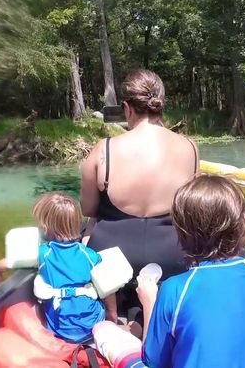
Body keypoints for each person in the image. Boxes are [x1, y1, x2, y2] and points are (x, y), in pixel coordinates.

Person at [80, 69, 199, 322]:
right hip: (172, 258)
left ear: (127, 107)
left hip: (111, 261)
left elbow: (88, 208)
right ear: (160, 105)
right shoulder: (190, 148)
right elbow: (194, 209)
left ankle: (116, 313)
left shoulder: (105, 149)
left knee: (89, 228)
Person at [136, 174, 245, 368]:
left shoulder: (174, 290)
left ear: (181, 235)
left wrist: (149, 302)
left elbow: (153, 361)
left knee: (106, 331)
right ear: (244, 226)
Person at [0, 192, 105, 343]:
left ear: (45, 227)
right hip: (92, 326)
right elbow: (107, 284)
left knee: (33, 310)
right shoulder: (89, 255)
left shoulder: (43, 254)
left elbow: (11, 261)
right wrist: (112, 316)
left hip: (60, 330)